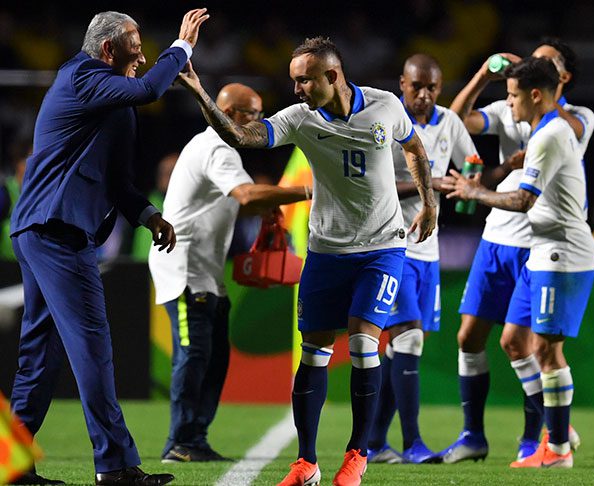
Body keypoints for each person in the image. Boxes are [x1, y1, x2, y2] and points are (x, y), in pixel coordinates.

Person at [177, 36, 437, 486]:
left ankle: (358, 454)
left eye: (304, 80)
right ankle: (307, 463)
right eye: (293, 80)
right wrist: (200, 92)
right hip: (326, 250)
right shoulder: (300, 118)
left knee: (360, 344)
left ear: (332, 76)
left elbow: (414, 148)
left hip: (382, 248)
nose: (296, 89)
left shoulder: (385, 106)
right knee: (314, 352)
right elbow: (242, 135)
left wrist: (429, 202)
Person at [8, 9, 208, 486]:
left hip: (46, 231)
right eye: (135, 49)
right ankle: (115, 466)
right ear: (107, 51)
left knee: (40, 353)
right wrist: (182, 47)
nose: (142, 58)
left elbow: (118, 182)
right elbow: (149, 90)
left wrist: (148, 215)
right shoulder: (82, 78)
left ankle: (11, 466)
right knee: (92, 345)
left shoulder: (112, 104)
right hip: (56, 232)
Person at [441, 38, 594, 466]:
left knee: (540, 347)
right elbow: (455, 124)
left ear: (551, 82)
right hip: (504, 239)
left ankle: (550, 439)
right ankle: (524, 433)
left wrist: (476, 189)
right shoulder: (524, 113)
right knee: (494, 339)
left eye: (544, 64)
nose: (507, 104)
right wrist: (488, 77)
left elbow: (527, 198)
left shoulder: (572, 120)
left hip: (547, 245)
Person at [149, 83, 309, 464]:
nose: (258, 122)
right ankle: (180, 441)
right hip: (185, 269)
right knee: (194, 354)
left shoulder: (221, 150)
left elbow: (239, 201)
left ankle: (195, 438)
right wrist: (306, 191)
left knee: (215, 356)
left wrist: (266, 207)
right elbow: (247, 196)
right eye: (252, 114)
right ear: (227, 116)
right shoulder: (217, 148)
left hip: (206, 270)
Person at [366, 54, 478, 465]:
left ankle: (375, 443)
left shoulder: (449, 121)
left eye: (432, 87)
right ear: (402, 83)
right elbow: (371, 186)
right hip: (390, 244)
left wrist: (476, 178)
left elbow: (470, 165)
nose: (425, 95)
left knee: (405, 347)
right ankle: (412, 442)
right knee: (407, 339)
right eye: (417, 86)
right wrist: (426, 183)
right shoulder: (385, 117)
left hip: (427, 248)